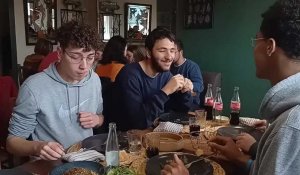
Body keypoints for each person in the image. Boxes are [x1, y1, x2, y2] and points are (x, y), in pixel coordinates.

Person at [161, 0, 300, 174]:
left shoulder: (291, 126)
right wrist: (240, 158)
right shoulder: (286, 121)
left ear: (269, 46)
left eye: (256, 40)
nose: (254, 47)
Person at [6, 21, 104, 161]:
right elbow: (12, 143)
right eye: (75, 57)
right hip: (49, 165)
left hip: (86, 159)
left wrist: (97, 119)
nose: (84, 66)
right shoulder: (33, 87)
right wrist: (38, 147)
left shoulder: (94, 79)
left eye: (90, 57)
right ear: (59, 53)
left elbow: (100, 116)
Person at [111, 27, 194, 131]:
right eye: (162, 50)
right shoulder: (129, 75)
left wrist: (185, 92)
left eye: (172, 51)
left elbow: (181, 111)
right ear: (148, 53)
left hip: (153, 134)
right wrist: (165, 91)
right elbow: (139, 122)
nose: (169, 57)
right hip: (126, 138)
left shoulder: (165, 74)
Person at [171, 39, 204, 109]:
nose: (171, 55)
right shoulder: (168, 67)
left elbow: (200, 86)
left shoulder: (192, 66)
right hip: (172, 104)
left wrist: (190, 85)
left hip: (190, 106)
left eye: (173, 52)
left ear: (181, 52)